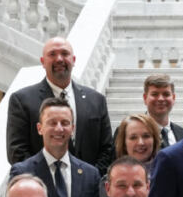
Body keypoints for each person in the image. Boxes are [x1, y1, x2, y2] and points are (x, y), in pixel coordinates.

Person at [7, 36, 114, 173]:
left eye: (64, 53)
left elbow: (107, 149)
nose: (59, 59)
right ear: (43, 62)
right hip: (41, 184)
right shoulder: (22, 100)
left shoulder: (96, 100)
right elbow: (17, 151)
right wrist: (45, 180)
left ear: (73, 60)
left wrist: (89, 179)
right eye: (52, 54)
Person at [143, 73, 183, 147]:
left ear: (173, 98)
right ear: (145, 98)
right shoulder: (131, 132)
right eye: (155, 94)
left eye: (166, 94)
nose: (161, 99)